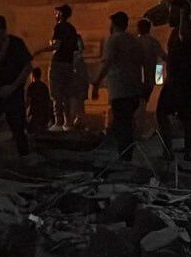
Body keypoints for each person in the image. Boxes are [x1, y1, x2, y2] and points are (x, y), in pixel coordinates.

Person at [92, 12, 145, 162]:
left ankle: (124, 157)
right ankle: (128, 153)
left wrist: (96, 82)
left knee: (121, 124)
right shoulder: (134, 41)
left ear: (114, 25)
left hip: (120, 89)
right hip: (134, 89)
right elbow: (143, 62)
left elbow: (107, 63)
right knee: (127, 123)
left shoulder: (113, 40)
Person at [157, 3, 191, 161]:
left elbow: (184, 37)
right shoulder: (178, 31)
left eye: (172, 12)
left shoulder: (190, 29)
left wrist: (183, 13)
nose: (169, 16)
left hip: (182, 81)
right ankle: (183, 151)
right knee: (184, 116)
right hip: (178, 79)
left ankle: (178, 151)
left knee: (171, 114)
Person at [0, 15, 33, 156]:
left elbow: (27, 67)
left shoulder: (17, 43)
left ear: (2, 30)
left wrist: (12, 87)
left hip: (14, 91)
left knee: (17, 125)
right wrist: (1, 55)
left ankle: (24, 156)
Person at [33, 4, 78, 132]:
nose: (55, 15)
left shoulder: (59, 27)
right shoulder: (72, 29)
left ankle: (58, 122)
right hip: (69, 63)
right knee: (66, 93)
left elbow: (56, 46)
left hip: (58, 63)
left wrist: (40, 50)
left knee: (56, 93)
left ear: (61, 14)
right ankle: (68, 122)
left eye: (57, 13)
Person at [138, 18, 166, 104]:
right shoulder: (154, 42)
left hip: (138, 78)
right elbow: (162, 57)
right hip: (151, 78)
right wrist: (159, 79)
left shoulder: (136, 42)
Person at [70, 35, 90, 128]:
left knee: (78, 111)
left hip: (77, 90)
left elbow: (83, 76)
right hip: (74, 91)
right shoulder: (76, 60)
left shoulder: (78, 60)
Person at [26, 67, 52, 134]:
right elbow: (48, 101)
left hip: (34, 114)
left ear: (32, 75)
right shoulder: (44, 86)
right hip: (44, 114)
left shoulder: (31, 87)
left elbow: (28, 102)